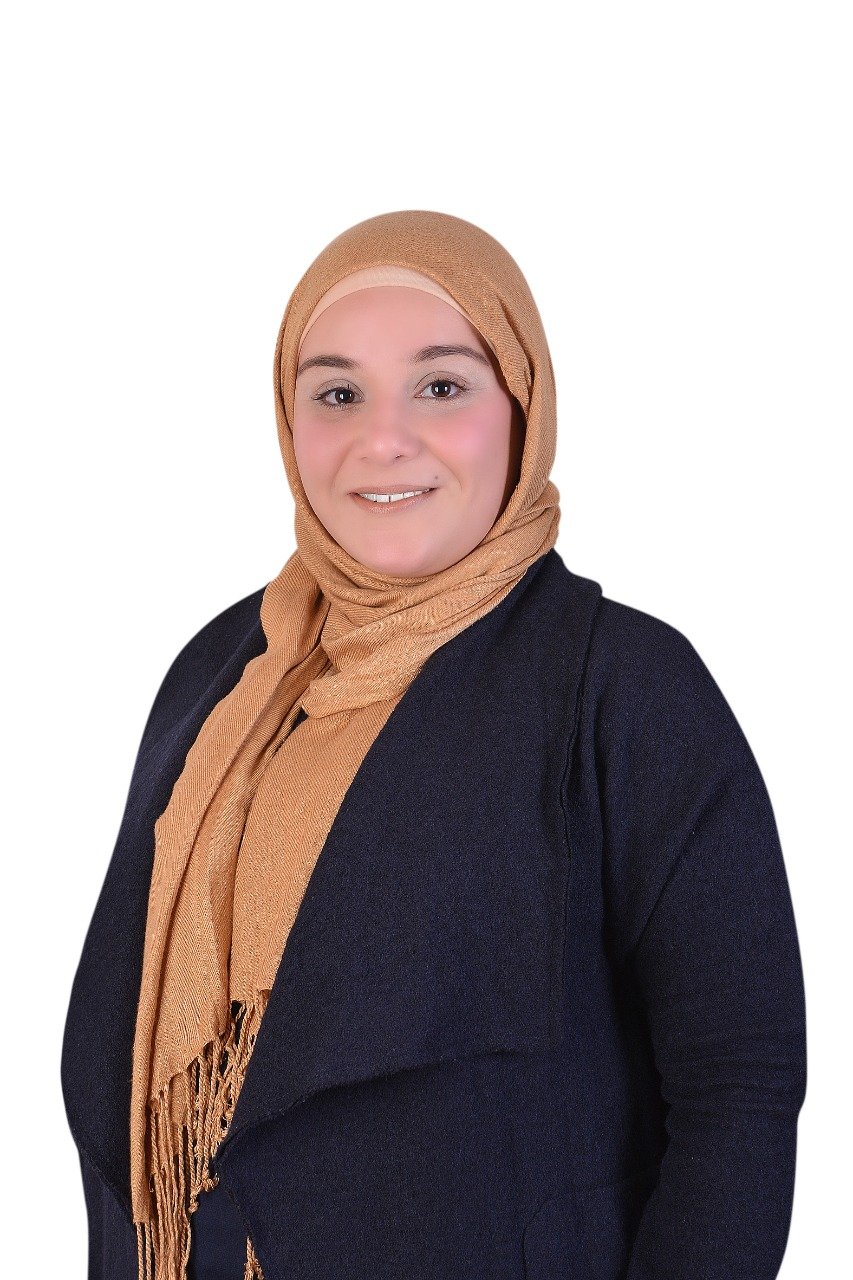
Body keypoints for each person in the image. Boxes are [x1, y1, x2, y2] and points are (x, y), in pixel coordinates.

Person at [61, 209, 808, 1280]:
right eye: (337, 394)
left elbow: (737, 1083)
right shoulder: (227, 671)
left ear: (521, 407)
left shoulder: (621, 684)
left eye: (442, 386)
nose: (383, 439)